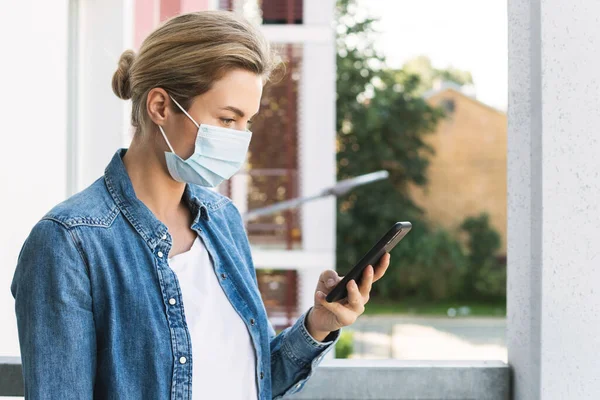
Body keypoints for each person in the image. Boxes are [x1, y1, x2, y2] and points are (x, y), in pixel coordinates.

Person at [11, 10, 390, 400]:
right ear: (160, 106)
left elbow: (250, 382)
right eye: (228, 119)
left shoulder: (222, 220)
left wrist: (318, 325)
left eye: (248, 121)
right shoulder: (68, 243)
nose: (241, 138)